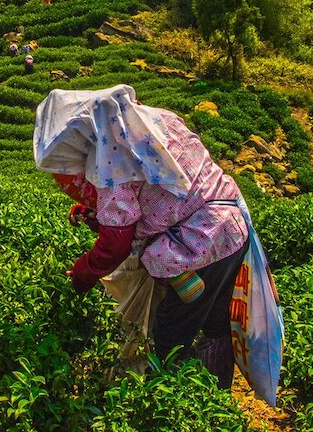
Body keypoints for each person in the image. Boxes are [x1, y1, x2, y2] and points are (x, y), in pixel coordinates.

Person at [33, 85, 249, 388]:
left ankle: (176, 404)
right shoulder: (156, 121)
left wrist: (83, 274)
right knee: (214, 323)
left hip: (201, 243)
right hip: (231, 226)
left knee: (171, 334)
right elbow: (157, 194)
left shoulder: (110, 164)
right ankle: (215, 396)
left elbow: (116, 244)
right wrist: (97, 216)